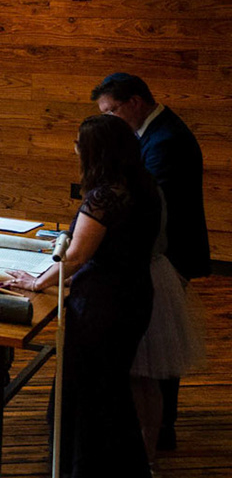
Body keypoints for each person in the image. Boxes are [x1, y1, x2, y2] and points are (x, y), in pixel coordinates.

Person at [4, 115, 159, 478]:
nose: (74, 149)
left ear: (96, 152)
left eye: (78, 144)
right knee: (110, 389)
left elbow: (75, 255)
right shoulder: (143, 186)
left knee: (98, 393)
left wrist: (36, 282)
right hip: (132, 296)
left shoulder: (105, 195)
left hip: (103, 306)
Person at [92, 72, 209, 451]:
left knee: (158, 344)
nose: (109, 120)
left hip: (167, 254)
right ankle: (157, 429)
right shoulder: (156, 133)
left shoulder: (166, 141)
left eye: (111, 111)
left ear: (135, 102)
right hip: (160, 250)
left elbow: (147, 207)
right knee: (156, 345)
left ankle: (159, 431)